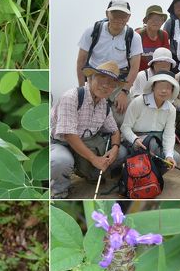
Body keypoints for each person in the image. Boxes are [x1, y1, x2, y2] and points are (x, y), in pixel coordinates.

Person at [50, 61, 126, 199]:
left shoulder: (104, 105)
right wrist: (94, 159)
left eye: (110, 83)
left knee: (121, 153)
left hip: (87, 143)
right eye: (101, 79)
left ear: (114, 88)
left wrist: (115, 148)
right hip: (62, 143)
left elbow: (115, 131)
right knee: (60, 161)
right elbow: (69, 135)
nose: (105, 85)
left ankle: (90, 174)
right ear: (90, 78)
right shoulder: (72, 97)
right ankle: (59, 191)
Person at [76, 0, 142, 119]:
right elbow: (81, 61)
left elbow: (134, 68)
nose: (119, 18)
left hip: (118, 81)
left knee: (122, 118)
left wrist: (124, 92)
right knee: (87, 114)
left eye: (123, 15)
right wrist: (82, 89)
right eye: (115, 14)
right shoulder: (92, 31)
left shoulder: (134, 37)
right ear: (107, 14)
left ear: (129, 17)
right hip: (95, 77)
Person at [121, 71, 180, 172]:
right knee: (119, 155)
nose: (163, 91)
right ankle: (130, 173)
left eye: (168, 88)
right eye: (160, 87)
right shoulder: (138, 102)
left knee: (175, 157)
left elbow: (169, 134)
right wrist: (135, 139)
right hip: (134, 141)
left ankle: (151, 176)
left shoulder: (171, 109)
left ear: (172, 90)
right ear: (153, 87)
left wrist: (168, 155)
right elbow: (125, 127)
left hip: (156, 143)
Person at [136, 5, 170, 71]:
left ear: (162, 22)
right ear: (146, 21)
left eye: (159, 19)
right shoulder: (138, 35)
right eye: (153, 19)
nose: (156, 22)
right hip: (139, 75)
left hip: (157, 73)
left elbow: (166, 58)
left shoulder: (163, 35)